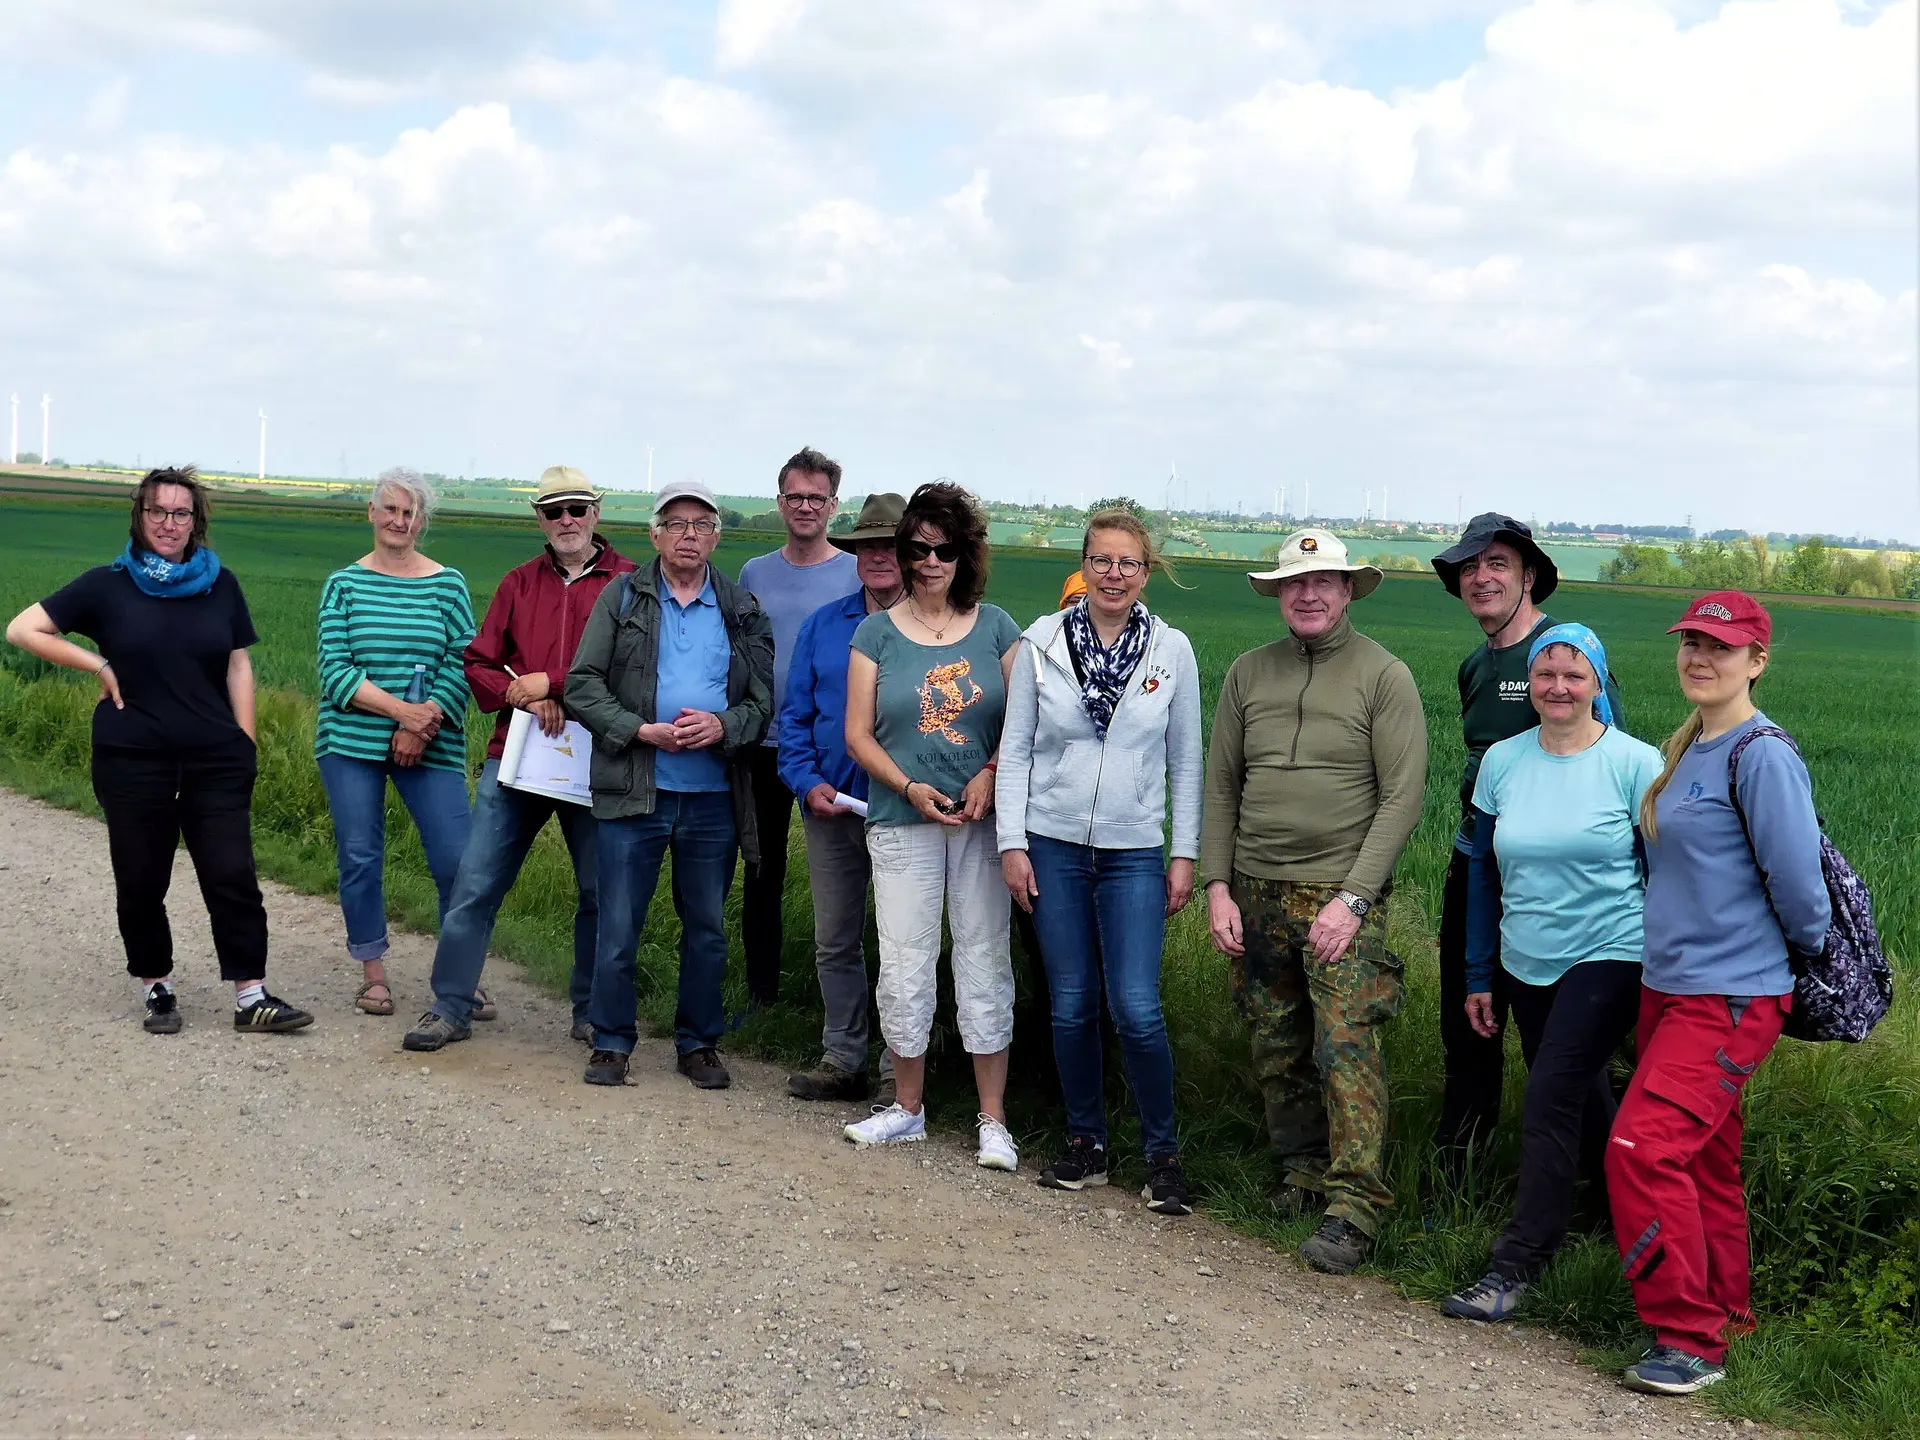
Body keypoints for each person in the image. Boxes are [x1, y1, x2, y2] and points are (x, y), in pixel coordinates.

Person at [1607, 592, 1828, 1397]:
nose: (1701, 658)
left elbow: (1803, 895)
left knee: (1642, 1148)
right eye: (1692, 643)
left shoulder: (1762, 754)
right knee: (1702, 1166)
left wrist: (1767, 963)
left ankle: (1688, 1339)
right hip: (1668, 991)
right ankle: (1728, 1314)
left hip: (1729, 999)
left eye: (1721, 647)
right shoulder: (1694, 745)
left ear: (1757, 661)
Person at [4, 466, 313, 1034]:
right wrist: (96, 662)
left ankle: (252, 995)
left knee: (231, 873)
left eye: (180, 513)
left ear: (196, 521)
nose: (169, 524)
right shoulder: (107, 585)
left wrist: (244, 742)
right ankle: (157, 986)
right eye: (157, 511)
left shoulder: (221, 584)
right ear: (139, 515)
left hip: (215, 759)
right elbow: (23, 630)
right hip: (133, 758)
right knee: (142, 878)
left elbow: (238, 664)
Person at [1201, 528, 1427, 1275]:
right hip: (1256, 890)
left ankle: (1355, 1206)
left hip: (1339, 899)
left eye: (1323, 582)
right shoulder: (1246, 673)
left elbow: (1402, 796)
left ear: (1347, 591)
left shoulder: (1383, 676)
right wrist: (1218, 886)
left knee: (1345, 1045)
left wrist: (1354, 899)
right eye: (1295, 584)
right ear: (1279, 594)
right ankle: (1300, 1174)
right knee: (1276, 1040)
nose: (1308, 595)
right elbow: (1222, 783)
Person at [1439, 624, 1662, 1323]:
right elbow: (1481, 874)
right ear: (1528, 685)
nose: (1559, 687)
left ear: (1599, 683)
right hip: (1524, 959)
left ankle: (1517, 1264)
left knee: (1549, 1098)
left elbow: (1663, 876)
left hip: (1612, 951)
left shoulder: (1635, 763)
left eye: (1575, 675)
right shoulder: (1503, 762)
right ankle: (1627, 1230)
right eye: (1545, 675)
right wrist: (1480, 973)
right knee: (1582, 1097)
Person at [997, 509, 1203, 1215]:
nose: (1114, 575)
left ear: (1147, 573)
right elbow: (1016, 750)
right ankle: (1085, 1142)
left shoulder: (1172, 651)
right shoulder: (1041, 643)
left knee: (1137, 1007)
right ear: (1084, 565)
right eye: (1103, 561)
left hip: (1133, 851)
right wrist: (1011, 844)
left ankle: (1162, 1154)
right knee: (1072, 1004)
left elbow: (1186, 762)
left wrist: (1185, 854)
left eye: (1129, 564)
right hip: (1051, 844)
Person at [402, 467, 636, 1052]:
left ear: (596, 513)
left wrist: (555, 686)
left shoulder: (631, 583)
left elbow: (636, 671)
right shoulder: (518, 583)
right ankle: (450, 1006)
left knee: (598, 892)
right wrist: (514, 692)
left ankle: (590, 1010)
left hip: (598, 759)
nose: (566, 520)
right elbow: (479, 661)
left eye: (576, 508)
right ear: (539, 518)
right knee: (475, 883)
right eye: (553, 510)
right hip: (518, 757)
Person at [1428, 513, 1624, 1178]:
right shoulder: (1474, 667)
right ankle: (1457, 1185)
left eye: (1498, 565)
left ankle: (1593, 1202)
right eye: (1469, 568)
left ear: (1529, 576)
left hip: (1558, 883)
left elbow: (1609, 763)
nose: (1480, 578)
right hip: (1476, 866)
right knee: (1468, 1029)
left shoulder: (1566, 657)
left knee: (1561, 1047)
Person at [566, 478, 774, 1091]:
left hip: (712, 798)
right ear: (654, 534)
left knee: (706, 926)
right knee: (619, 921)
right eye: (677, 524)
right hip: (636, 789)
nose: (689, 535)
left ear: (716, 536)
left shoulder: (741, 607)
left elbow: (762, 703)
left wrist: (723, 724)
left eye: (702, 525)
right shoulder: (622, 598)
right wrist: (639, 731)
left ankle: (698, 1043)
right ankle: (610, 1041)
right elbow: (582, 684)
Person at [841, 481, 1024, 1170]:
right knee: (905, 962)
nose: (929, 561)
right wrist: (909, 786)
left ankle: (993, 1120)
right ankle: (908, 1108)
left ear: (964, 554)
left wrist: (992, 773)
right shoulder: (876, 633)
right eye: (917, 548)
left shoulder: (999, 628)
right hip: (901, 819)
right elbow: (858, 735)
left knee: (983, 960)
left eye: (943, 549)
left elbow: (1024, 724)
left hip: (981, 824)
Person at [314, 468, 476, 1017]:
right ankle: (373, 973)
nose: (399, 521)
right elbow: (335, 672)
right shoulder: (344, 584)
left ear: (421, 522)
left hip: (433, 743)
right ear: (371, 513)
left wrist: (421, 722)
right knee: (360, 855)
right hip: (350, 744)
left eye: (409, 513)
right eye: (390, 510)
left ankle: (459, 975)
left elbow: (463, 661)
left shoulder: (447, 584)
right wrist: (400, 713)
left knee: (458, 860)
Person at [776, 492, 907, 1104]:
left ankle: (898, 1071)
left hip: (907, 812)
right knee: (837, 938)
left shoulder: (937, 627)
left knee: (903, 941)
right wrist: (807, 783)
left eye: (891, 546)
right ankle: (844, 1057)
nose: (878, 557)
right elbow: (795, 720)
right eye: (868, 546)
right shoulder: (824, 625)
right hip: (833, 808)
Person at [738, 448, 860, 1011]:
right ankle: (762, 996)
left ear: (833, 505)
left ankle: (841, 993)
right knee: (761, 870)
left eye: (817, 497)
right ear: (780, 501)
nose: (805, 507)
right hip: (762, 746)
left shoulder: (854, 573)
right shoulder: (754, 573)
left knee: (840, 874)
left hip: (828, 752)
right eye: (795, 497)